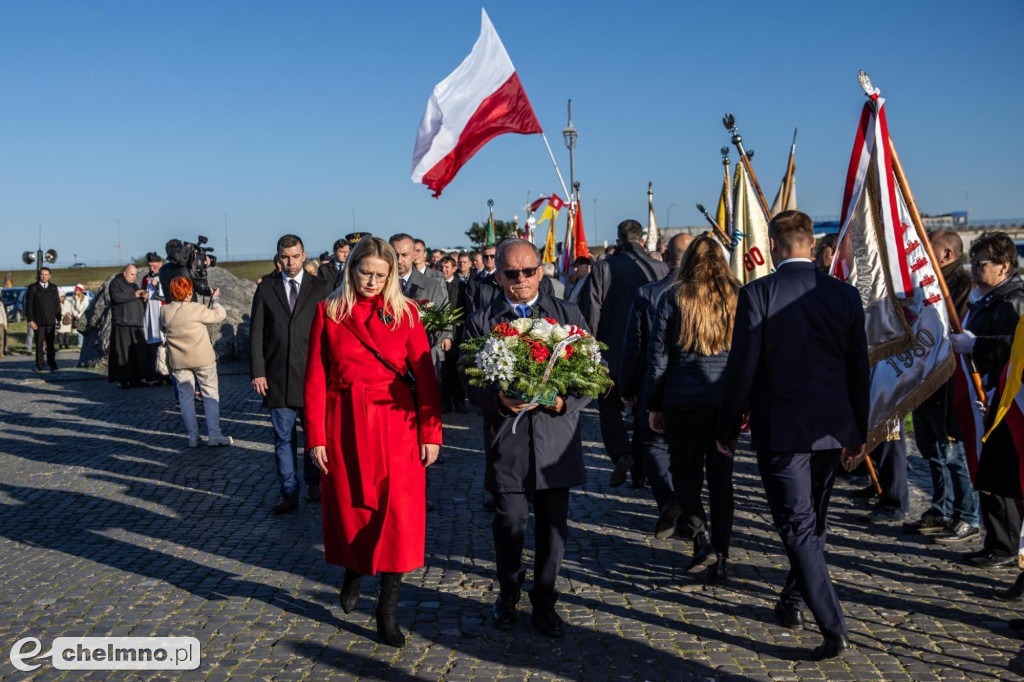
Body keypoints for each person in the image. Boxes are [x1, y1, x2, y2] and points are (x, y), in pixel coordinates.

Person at [717, 210, 869, 660]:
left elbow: (742, 368)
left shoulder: (758, 293)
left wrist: (727, 427)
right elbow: (858, 368)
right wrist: (858, 428)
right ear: (809, 243)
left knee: (801, 527)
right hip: (830, 424)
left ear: (775, 244)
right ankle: (792, 599)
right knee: (811, 523)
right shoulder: (843, 294)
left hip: (782, 426)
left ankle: (833, 627)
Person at [304, 236, 442, 648]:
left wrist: (431, 433)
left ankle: (387, 607)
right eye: (366, 272)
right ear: (352, 268)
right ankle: (353, 569)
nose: (372, 281)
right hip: (344, 422)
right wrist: (315, 437)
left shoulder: (406, 313)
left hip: (397, 422)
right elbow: (314, 378)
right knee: (354, 511)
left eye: (382, 275)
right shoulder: (328, 311)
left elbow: (427, 378)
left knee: (398, 515)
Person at [462, 238, 593, 639]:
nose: (520, 280)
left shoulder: (568, 316)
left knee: (553, 527)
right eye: (511, 273)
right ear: (498, 274)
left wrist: (563, 401)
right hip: (509, 441)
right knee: (510, 522)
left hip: (556, 440)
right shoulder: (482, 320)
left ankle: (546, 600)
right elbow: (467, 378)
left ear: (541, 270)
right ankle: (508, 593)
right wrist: (496, 399)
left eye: (528, 271)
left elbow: (592, 373)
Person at [646, 235, 738, 580]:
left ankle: (701, 538)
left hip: (682, 402)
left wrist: (653, 403)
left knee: (685, 474)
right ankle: (723, 554)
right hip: (723, 401)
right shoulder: (736, 297)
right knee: (721, 481)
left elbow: (658, 359)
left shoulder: (673, 296)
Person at [950, 230, 1024, 569]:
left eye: (982, 263)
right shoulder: (986, 298)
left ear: (1004, 266)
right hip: (986, 395)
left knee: (1002, 473)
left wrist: (976, 345)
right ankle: (994, 539)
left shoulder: (1014, 300)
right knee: (988, 469)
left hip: (1004, 397)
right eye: (973, 262)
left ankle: (1005, 546)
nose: (975, 269)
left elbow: (1013, 347)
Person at [579, 219, 669, 487]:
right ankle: (640, 471)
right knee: (645, 412)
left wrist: (589, 349)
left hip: (611, 354)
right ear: (641, 240)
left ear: (618, 240)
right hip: (650, 354)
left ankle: (620, 454)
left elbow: (591, 313)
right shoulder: (659, 267)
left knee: (608, 408)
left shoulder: (604, 267)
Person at [249, 234, 333, 514]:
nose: (290, 262)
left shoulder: (321, 287)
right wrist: (258, 372)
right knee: (283, 439)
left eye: (295, 256)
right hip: (277, 378)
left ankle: (314, 484)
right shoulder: (266, 288)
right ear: (278, 258)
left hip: (314, 377)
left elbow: (333, 334)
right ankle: (288, 491)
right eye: (285, 257)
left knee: (314, 436)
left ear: (304, 255)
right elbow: (257, 332)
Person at [906, 231, 978, 542]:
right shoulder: (927, 285)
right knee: (931, 449)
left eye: (928, 251)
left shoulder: (960, 286)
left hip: (949, 382)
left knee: (953, 453)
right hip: (925, 380)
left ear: (946, 255)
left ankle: (967, 515)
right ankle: (941, 507)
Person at [620, 233, 693, 540]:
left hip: (656, 381)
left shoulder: (649, 293)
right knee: (689, 454)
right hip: (698, 387)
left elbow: (635, 345)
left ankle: (670, 500)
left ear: (666, 258)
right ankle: (690, 515)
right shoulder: (713, 293)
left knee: (652, 445)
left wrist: (627, 384)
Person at [161, 277, 233, 448]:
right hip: (202, 358)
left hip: (178, 360)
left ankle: (193, 437)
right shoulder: (196, 309)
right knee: (210, 395)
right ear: (189, 292)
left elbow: (164, 329)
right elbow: (219, 315)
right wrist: (215, 300)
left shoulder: (164, 312)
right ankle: (214, 434)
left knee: (185, 398)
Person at [389, 234, 450, 370]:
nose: (399, 260)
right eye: (395, 254)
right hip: (389, 361)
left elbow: (442, 323)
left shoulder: (431, 285)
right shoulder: (380, 284)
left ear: (414, 255)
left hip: (420, 358)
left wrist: (419, 343)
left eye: (404, 255)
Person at [108, 264, 150, 387]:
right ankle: (124, 379)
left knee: (136, 352)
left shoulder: (134, 285)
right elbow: (116, 297)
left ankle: (137, 378)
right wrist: (134, 295)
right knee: (123, 352)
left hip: (135, 321)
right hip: (123, 322)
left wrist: (143, 298)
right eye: (132, 274)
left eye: (136, 274)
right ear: (125, 273)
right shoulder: (116, 283)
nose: (134, 277)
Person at [439, 256, 469, 413]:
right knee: (444, 369)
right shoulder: (437, 285)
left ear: (454, 268)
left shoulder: (462, 286)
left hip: (458, 332)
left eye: (447, 267)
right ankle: (445, 400)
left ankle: (459, 400)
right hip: (441, 332)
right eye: (442, 267)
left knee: (457, 368)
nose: (444, 270)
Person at [25, 267, 61, 372]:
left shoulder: (53, 288)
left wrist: (59, 317)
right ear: (39, 275)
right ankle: (40, 364)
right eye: (42, 274)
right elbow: (29, 305)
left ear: (50, 276)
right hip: (38, 321)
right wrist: (31, 320)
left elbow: (57, 304)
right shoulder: (33, 288)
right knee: (39, 344)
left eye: (46, 274)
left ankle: (52, 363)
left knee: (51, 345)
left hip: (50, 320)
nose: (44, 276)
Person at [141, 253, 168, 383]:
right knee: (152, 344)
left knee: (164, 344)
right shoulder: (145, 279)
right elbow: (143, 291)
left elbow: (168, 294)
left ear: (160, 264)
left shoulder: (165, 276)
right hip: (150, 315)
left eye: (155, 266)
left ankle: (166, 374)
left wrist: (158, 285)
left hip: (161, 312)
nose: (152, 269)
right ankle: (154, 373)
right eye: (150, 266)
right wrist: (143, 295)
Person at [69, 284, 89, 349]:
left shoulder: (85, 298)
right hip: (76, 316)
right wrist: (75, 315)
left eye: (77, 290)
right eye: (75, 290)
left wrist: (80, 315)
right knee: (79, 331)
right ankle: (80, 345)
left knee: (83, 331)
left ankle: (84, 344)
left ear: (80, 291)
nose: (75, 291)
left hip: (83, 316)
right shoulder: (74, 298)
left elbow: (85, 308)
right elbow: (72, 308)